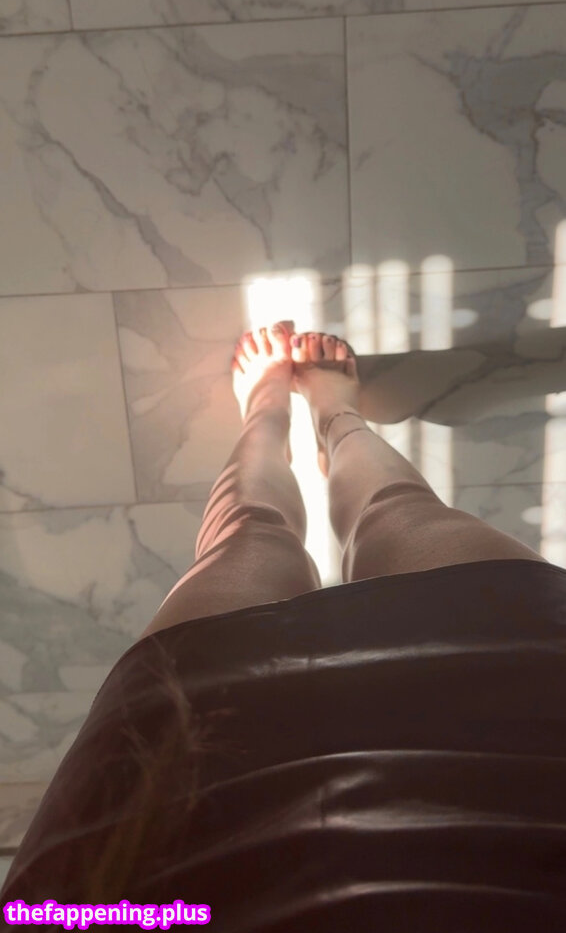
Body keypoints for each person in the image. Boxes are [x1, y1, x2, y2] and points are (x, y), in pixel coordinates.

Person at [2, 321, 566, 930]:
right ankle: (336, 417)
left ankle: (267, 418)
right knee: (400, 509)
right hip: (536, 757)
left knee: (252, 530)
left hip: (160, 836)